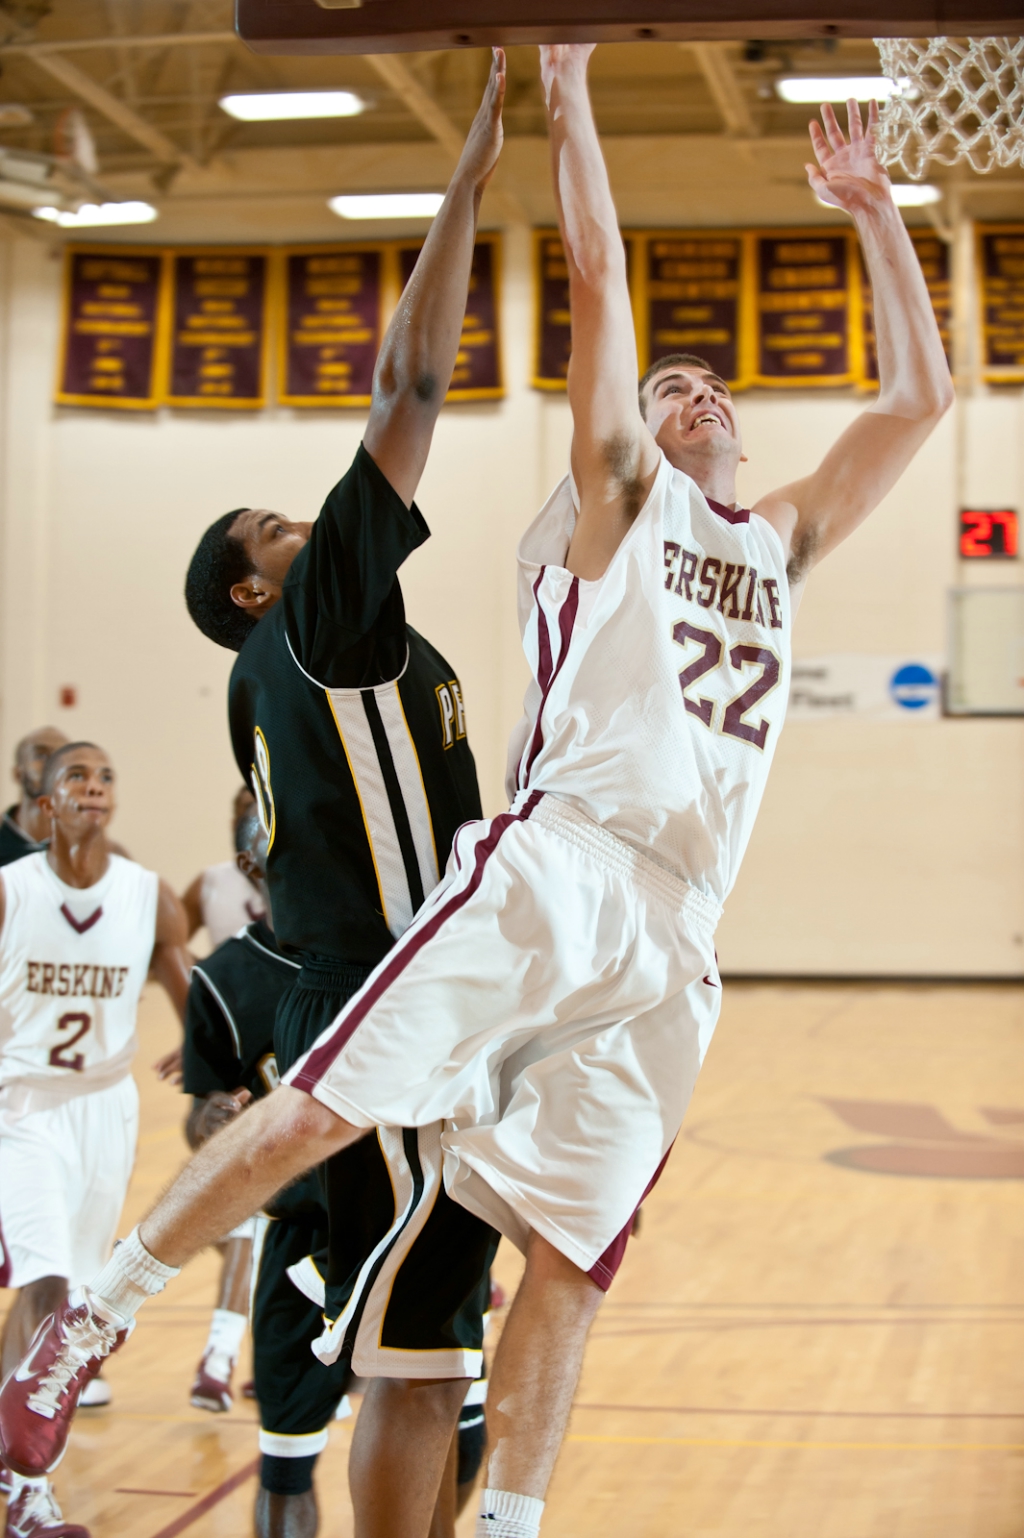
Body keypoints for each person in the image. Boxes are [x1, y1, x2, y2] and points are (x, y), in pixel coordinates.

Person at [0, 49, 954, 1538]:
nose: (689, 387)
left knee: (571, 1254)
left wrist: (874, 210)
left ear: (744, 434)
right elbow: (592, 261)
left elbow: (921, 394)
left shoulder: (777, 542)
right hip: (557, 861)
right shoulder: (620, 508)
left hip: (679, 931)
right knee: (322, 1110)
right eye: (664, 384)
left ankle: (505, 1522)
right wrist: (568, 96)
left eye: (710, 383)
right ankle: (97, 1316)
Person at [0, 55, 509, 1538]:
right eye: (276, 525)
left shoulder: (287, 672)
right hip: (405, 973)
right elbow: (412, 382)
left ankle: (114, 1307)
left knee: (423, 1361)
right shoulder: (322, 620)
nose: (307, 517)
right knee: (425, 1341)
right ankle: (100, 1305)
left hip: (408, 970)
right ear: (250, 582)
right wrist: (469, 175)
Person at [0, 741, 190, 1538]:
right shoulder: (11, 892)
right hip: (25, 1105)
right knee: (41, 1283)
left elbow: (192, 998)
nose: (92, 786)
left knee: (76, 1300)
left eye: (105, 775)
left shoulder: (151, 896)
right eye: (75, 775)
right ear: (44, 805)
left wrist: (216, 1077)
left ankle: (22, 1468)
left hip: (109, 1108)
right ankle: (23, 1488)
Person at [181, 785, 265, 1420]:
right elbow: (161, 947)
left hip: (278, 1081)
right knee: (248, 1228)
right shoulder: (209, 884)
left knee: (251, 1230)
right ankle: (221, 1359)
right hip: (231, 1076)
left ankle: (225, 1358)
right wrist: (190, 1027)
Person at [179, 786, 266, 949]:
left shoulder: (305, 879)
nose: (257, 817)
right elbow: (168, 946)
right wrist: (209, 970)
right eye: (249, 808)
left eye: (264, 808)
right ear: (234, 825)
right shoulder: (209, 882)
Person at [0, 731, 68, 868]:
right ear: (18, 774)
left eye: (60, 757)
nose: (52, 764)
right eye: (41, 755)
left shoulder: (90, 850)